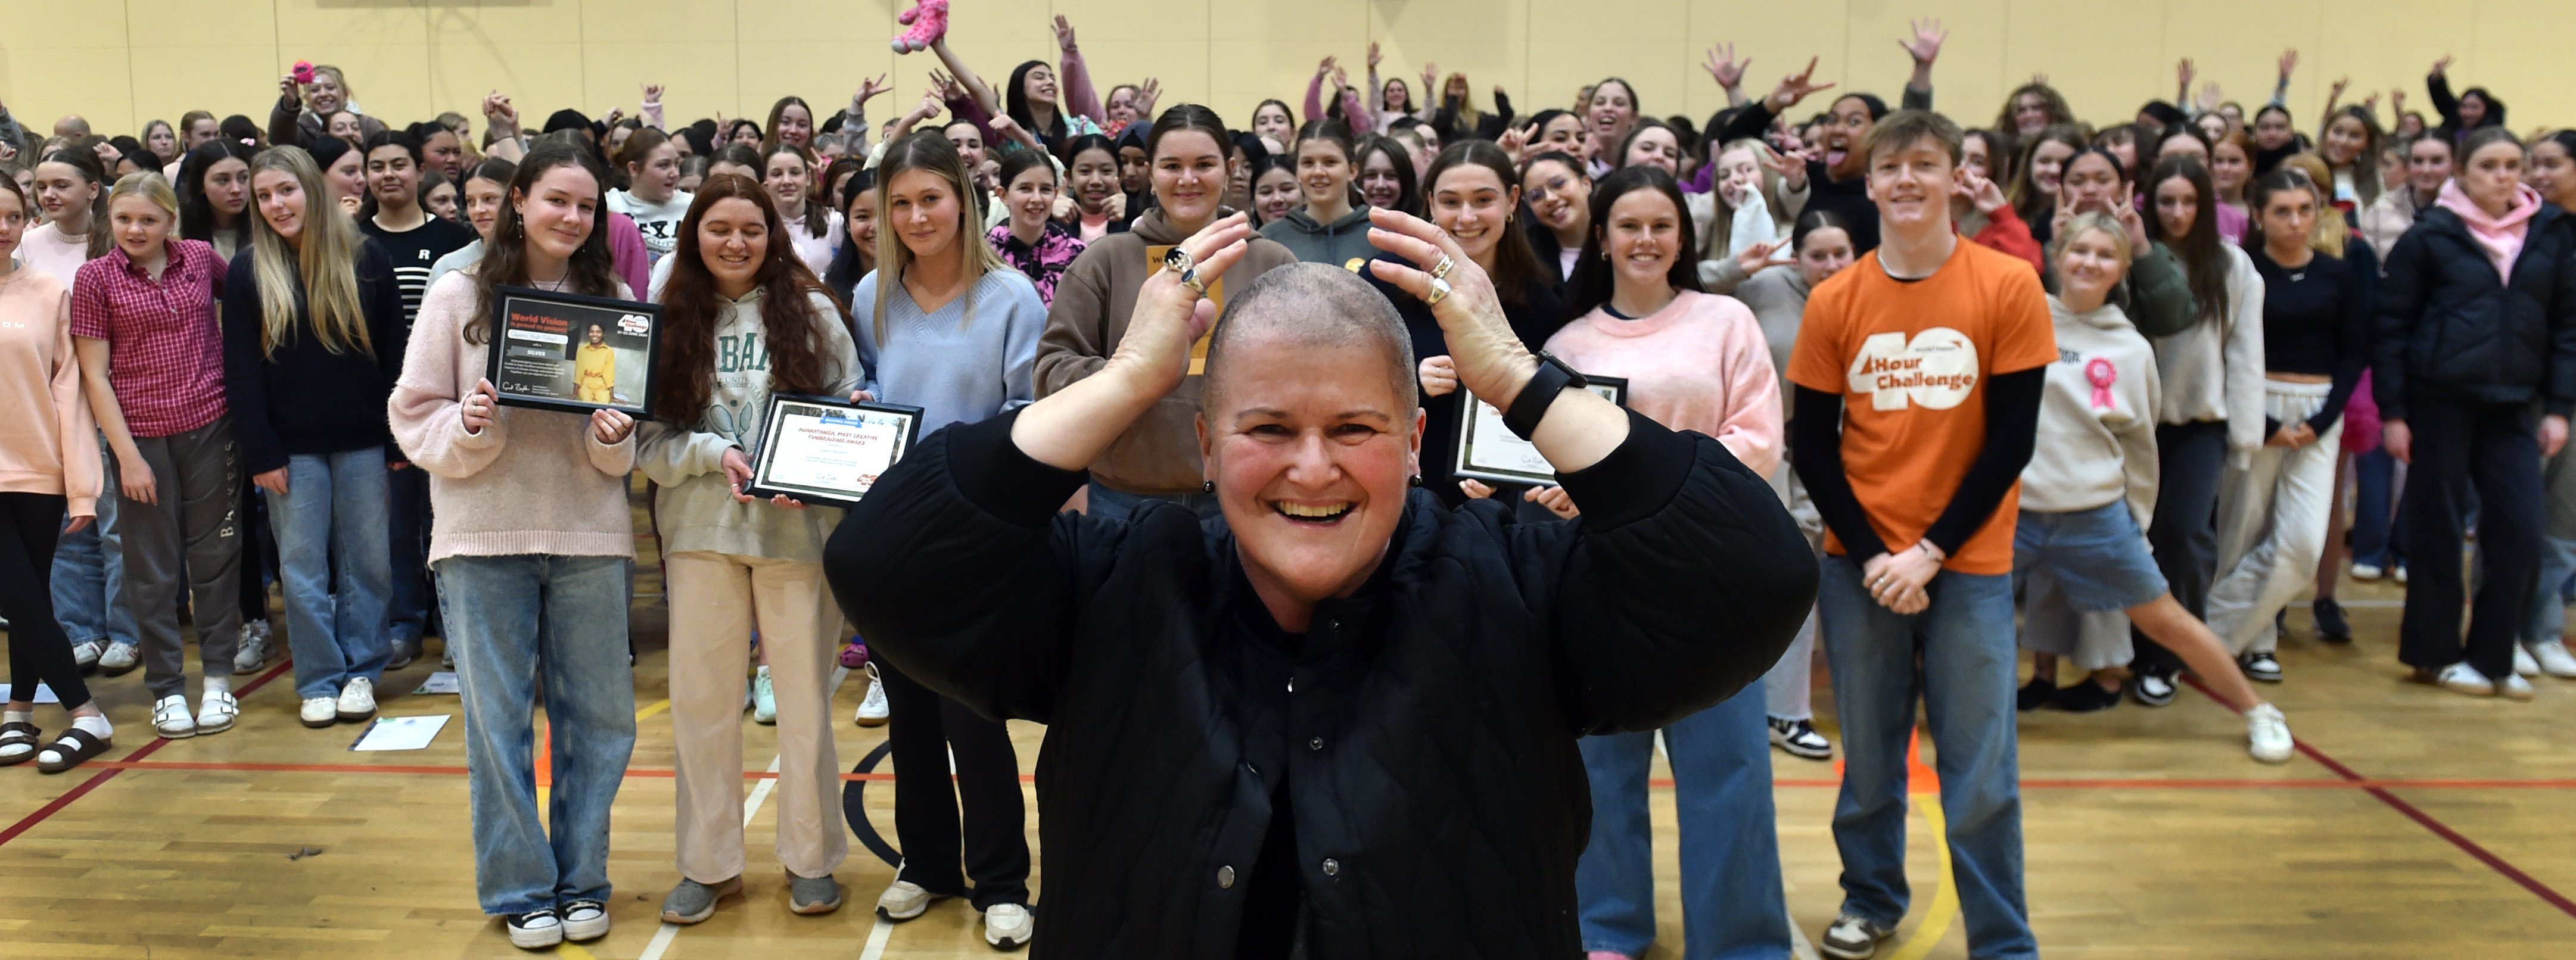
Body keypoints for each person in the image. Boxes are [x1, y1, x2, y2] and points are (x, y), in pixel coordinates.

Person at [826, 179, 1812, 951]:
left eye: (1353, 427)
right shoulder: (1117, 580)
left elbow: (1753, 578)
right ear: (1206, 448)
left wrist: (1517, 378)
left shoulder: (1515, 581)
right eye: (1265, 428)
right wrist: (1126, 381)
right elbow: (885, 562)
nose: (1310, 466)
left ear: (1415, 435)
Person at [1786, 111, 2049, 960]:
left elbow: (2013, 440)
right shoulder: (1836, 301)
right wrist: (1873, 556)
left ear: (1955, 178)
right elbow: (1811, 448)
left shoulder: (2008, 287)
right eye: (1890, 167)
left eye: (1924, 165)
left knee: (1981, 775)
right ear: (1869, 185)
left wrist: (1929, 551)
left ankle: (2003, 940)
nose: (1906, 180)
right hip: (1861, 569)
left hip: (1967, 565)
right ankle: (1871, 899)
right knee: (1869, 762)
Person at [388, 143, 639, 949]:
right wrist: (467, 426)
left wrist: (614, 437)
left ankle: (583, 880)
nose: (572, 218)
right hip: (481, 535)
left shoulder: (616, 300)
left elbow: (623, 446)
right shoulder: (459, 291)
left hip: (590, 534)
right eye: (557, 200)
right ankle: (522, 888)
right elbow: (412, 411)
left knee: (600, 721)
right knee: (498, 724)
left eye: (587, 206)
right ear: (518, 200)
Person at [1540, 163, 1789, 960]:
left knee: (1731, 774)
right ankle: (1609, 927)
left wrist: (1666, 502)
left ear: (1683, 238)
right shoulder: (1567, 345)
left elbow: (1757, 436)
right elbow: (1550, 457)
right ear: (1604, 240)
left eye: (1661, 225)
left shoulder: (1726, 322)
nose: (1645, 239)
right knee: (1603, 774)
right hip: (1605, 589)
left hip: (1713, 581)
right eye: (1629, 226)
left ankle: (1742, 941)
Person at [640, 173, 861, 925]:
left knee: (802, 700)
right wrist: (710, 454)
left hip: (797, 533)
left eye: (752, 229)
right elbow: (647, 442)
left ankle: (810, 858)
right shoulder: (665, 318)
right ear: (693, 234)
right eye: (719, 228)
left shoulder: (818, 315)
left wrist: (832, 448)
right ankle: (709, 864)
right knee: (703, 705)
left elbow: (845, 411)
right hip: (700, 532)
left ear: (774, 236)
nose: (736, 242)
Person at [849, 132, 1048, 948]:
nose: (915, 215)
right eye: (900, 203)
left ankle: (1001, 880)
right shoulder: (869, 296)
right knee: (909, 717)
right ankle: (926, 864)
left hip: (975, 536)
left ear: (965, 200)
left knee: (974, 714)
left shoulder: (1014, 299)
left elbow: (1025, 417)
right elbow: (861, 390)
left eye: (931, 198)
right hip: (893, 537)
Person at [2017, 211, 2296, 761]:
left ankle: (2260, 712)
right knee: (1951, 605)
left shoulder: (2133, 349)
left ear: (2123, 268)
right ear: (2059, 255)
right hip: (2016, 513)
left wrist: (2136, 523)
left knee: (2167, 619)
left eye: (2105, 255)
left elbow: (2141, 450)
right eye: (2081, 251)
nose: (2089, 262)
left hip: (2095, 516)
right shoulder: (2022, 320)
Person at [2377, 128, 2573, 700]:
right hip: (2439, 402)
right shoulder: (2431, 236)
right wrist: (2394, 412)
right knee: (2436, 532)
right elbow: (2391, 328)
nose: (2505, 176)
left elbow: (2567, 327)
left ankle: (2493, 656)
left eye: (2515, 164)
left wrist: (2559, 407)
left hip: (2516, 405)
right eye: (2490, 165)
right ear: (2462, 171)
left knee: (2519, 529)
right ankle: (2433, 654)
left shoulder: (2550, 235)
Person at [222, 145, 406, 728]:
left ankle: (363, 671)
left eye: (287, 190)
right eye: (265, 196)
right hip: (288, 451)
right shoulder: (250, 270)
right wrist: (261, 451)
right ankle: (320, 677)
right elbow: (242, 372)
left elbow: (397, 355)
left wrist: (401, 437)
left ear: (312, 190)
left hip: (363, 440)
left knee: (368, 562)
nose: (277, 204)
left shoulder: (366, 257)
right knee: (302, 569)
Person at [1036, 105, 1296, 519]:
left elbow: (1302, 376)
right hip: (1125, 498)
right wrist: (1133, 375)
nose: (1188, 179)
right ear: (1150, 174)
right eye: (1172, 165)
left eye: (1204, 165)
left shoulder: (1272, 262)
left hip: (1243, 497)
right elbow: (1051, 373)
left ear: (1229, 170)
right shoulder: (1104, 261)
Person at [71, 173, 243, 740]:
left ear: (170, 220)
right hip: (140, 437)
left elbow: (246, 306)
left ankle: (218, 677)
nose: (135, 229)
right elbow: (95, 375)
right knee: (150, 570)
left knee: (215, 559)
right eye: (124, 219)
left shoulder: (199, 259)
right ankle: (167, 689)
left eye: (148, 219)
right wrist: (127, 457)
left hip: (209, 427)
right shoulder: (95, 278)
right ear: (110, 222)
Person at [2197, 170, 2370, 683]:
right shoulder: (2243, 271)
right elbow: (2227, 351)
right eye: (2282, 212)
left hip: (2321, 411)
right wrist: (2267, 421)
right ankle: (2258, 643)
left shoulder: (2339, 275)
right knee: (2242, 533)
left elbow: (2354, 353)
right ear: (2258, 216)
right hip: (2257, 404)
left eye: (2305, 210)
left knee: (2302, 544)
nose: (2296, 222)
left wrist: (2321, 421)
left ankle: (2207, 633)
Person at [2124, 156, 2266, 707]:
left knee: (2183, 538)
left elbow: (2246, 353)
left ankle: (2169, 657)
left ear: (2207, 206)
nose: (2179, 213)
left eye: (2190, 202)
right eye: (2167, 201)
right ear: (2149, 204)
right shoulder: (2131, 256)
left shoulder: (2232, 266)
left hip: (2199, 427)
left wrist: (2246, 439)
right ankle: (2130, 653)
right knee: (2133, 542)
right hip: (2135, 427)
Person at [1371, 141, 1567, 507]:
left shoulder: (1542, 304)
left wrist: (1506, 477)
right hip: (1397, 498)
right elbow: (1347, 382)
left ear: (1512, 200)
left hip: (1495, 511)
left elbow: (1548, 418)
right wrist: (1409, 379)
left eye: (1482, 200)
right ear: (1430, 204)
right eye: (1450, 202)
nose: (1466, 217)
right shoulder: (1388, 279)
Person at [0, 173, 116, 775]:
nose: (2, 227)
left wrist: (81, 486)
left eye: (12, 216)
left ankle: (19, 708)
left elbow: (69, 393)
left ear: (24, 223)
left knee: (30, 598)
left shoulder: (49, 291)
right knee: (18, 594)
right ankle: (86, 710)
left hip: (39, 472)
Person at [1729, 208, 1854, 758]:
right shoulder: (1763, 290)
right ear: (1796, 258)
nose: (1830, 266)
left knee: (1827, 575)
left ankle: (1795, 707)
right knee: (1787, 573)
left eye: (1840, 254)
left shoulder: (1871, 293)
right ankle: (1781, 711)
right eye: (1818, 256)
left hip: (1844, 451)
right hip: (1772, 448)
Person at [1261, 120, 1373, 267]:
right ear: (1297, 172)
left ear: (1352, 171)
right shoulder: (1270, 239)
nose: (1318, 172)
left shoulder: (1379, 237)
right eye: (1308, 163)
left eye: (1330, 162)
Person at [987, 150, 1084, 306]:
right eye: (1025, 189)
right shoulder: (983, 256)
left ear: (1055, 194)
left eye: (1045, 190)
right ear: (1003, 195)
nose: (1037, 199)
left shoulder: (1078, 255)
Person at [2363, 134, 2453, 260]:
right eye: (2418, 161)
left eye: (2436, 161)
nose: (2426, 170)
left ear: (2455, 166)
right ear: (2408, 166)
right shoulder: (2380, 210)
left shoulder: (2467, 211)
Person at [609, 127, 692, 263]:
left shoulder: (691, 204)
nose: (675, 173)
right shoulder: (612, 204)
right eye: (664, 166)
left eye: (676, 164)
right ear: (634, 169)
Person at [763, 144, 841, 278]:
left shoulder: (834, 221)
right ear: (766, 183)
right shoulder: (761, 227)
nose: (787, 181)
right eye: (777, 174)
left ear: (808, 178)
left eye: (795, 173)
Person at [268, 64, 387, 151]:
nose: (323, 94)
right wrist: (289, 103)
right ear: (307, 98)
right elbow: (279, 140)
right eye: (315, 90)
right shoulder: (302, 127)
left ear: (345, 93)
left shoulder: (368, 126)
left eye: (330, 88)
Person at [177, 140, 256, 260]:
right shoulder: (178, 227)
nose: (236, 189)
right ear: (201, 185)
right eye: (223, 180)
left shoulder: (265, 224)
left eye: (243, 178)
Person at [1523, 151, 1592, 286]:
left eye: (1558, 184)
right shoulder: (1527, 258)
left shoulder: (1616, 240)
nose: (1550, 199)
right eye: (1537, 196)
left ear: (1586, 184)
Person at [2425, 56, 2504, 149]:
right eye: (2464, 107)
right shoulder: (2453, 123)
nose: (2468, 113)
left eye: (2475, 107)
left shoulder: (2492, 135)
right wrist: (2436, 77)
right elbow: (2443, 99)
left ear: (2486, 109)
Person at [1059, 133, 1127, 242]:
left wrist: (1131, 212)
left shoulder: (1138, 221)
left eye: (1106, 171)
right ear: (1069, 178)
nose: (1096, 181)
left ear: (1120, 176)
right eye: (1085, 171)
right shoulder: (1055, 223)